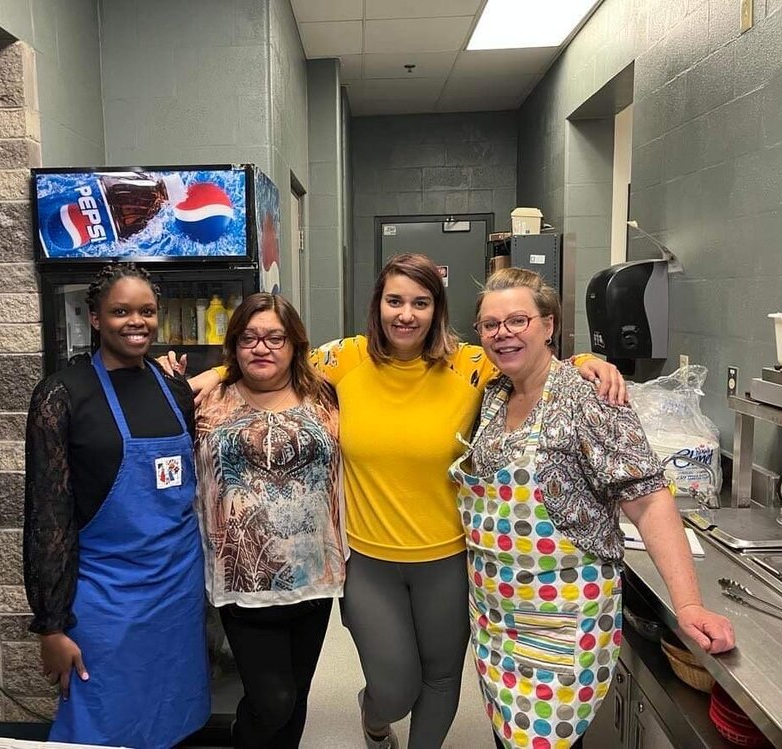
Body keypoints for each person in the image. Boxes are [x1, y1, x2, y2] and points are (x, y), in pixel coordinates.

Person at [184, 253, 625, 749]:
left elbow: (536, 364)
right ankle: (375, 722)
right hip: (369, 561)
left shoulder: (471, 363)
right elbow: (272, 355)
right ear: (378, 305)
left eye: (421, 302)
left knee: (440, 680)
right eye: (395, 300)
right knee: (394, 689)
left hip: (449, 557)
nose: (406, 314)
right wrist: (212, 375)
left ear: (437, 310)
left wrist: (588, 361)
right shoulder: (346, 359)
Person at [452, 268, 735, 749]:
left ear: (549, 325)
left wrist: (687, 604)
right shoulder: (495, 395)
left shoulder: (589, 397)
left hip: (560, 621)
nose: (503, 333)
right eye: (490, 324)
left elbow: (648, 500)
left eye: (518, 320)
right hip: (497, 618)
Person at [23, 263, 209, 748]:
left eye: (147, 311)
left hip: (176, 591)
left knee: (171, 715)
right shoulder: (62, 395)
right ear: (96, 317)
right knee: (101, 720)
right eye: (121, 311)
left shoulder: (173, 391)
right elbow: (48, 518)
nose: (136, 321)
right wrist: (51, 624)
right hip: (106, 598)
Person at [195, 292, 345, 748]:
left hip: (314, 575)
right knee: (272, 700)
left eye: (275, 338)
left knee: (295, 700)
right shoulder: (206, 398)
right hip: (241, 578)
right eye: (249, 338)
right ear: (234, 346)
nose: (262, 348)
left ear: (295, 344)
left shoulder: (326, 394)